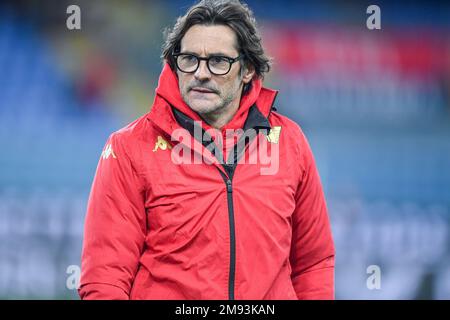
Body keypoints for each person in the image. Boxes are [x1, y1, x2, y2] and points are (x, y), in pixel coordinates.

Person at [79, 0, 335, 300]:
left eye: (218, 61)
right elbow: (104, 278)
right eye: (189, 59)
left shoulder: (290, 141)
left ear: (248, 69)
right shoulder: (128, 148)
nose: (201, 73)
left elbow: (313, 263)